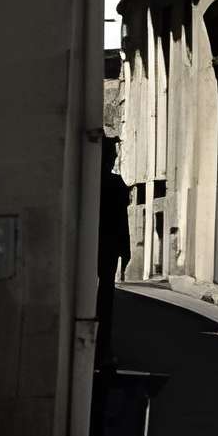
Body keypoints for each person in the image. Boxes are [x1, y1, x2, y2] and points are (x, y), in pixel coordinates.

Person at [96, 133, 132, 367]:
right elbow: (122, 221)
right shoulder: (115, 185)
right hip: (107, 249)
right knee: (105, 300)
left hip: (97, 247)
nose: (113, 159)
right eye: (111, 155)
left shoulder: (92, 181)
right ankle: (102, 348)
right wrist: (125, 250)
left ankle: (98, 347)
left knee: (99, 298)